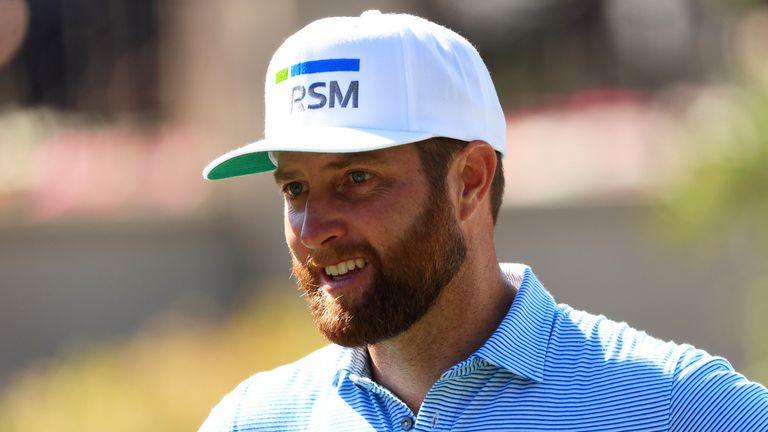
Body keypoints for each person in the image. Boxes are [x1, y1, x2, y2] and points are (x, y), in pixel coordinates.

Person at [198, 10, 768, 431]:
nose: (314, 227)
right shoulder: (252, 421)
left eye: (357, 179)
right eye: (295, 188)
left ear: (470, 178)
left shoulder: (674, 406)